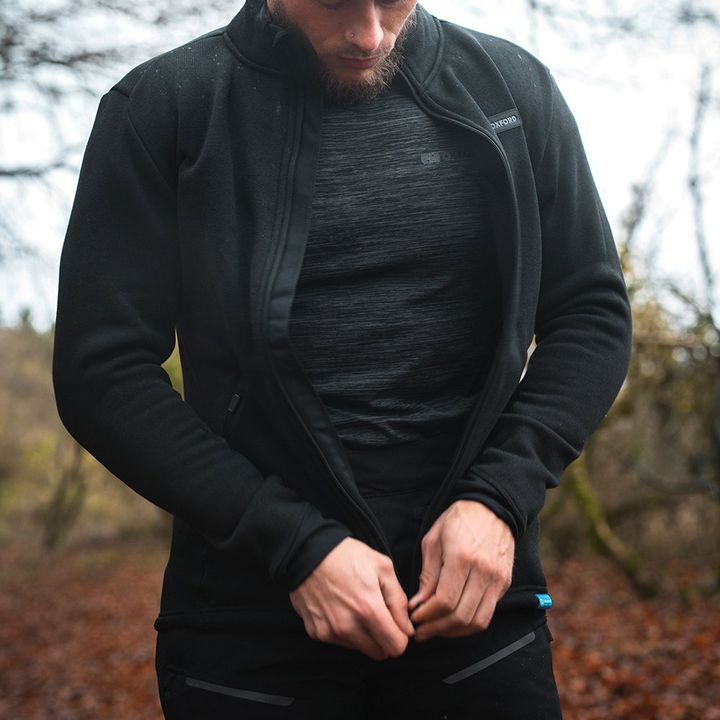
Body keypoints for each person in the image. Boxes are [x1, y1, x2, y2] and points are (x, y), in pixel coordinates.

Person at [52, 0, 632, 717]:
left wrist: (499, 497)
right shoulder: (163, 106)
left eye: (391, 0)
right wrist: (295, 546)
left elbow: (591, 314)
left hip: (478, 616)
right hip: (249, 631)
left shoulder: (512, 89)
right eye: (333, 1)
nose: (367, 33)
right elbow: (100, 374)